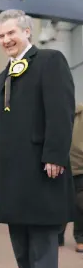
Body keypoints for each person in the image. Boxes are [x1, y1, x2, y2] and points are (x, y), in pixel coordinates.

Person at [0, 9, 75, 268]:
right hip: (12, 178)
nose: (6, 40)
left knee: (42, 248)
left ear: (27, 31)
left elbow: (61, 112)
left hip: (41, 171)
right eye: (1, 35)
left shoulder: (50, 60)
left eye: (11, 32)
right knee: (22, 253)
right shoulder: (3, 76)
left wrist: (55, 155)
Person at [59, 103, 83, 253]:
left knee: (68, 200)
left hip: (70, 163)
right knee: (78, 202)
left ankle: (57, 236)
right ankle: (80, 238)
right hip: (77, 164)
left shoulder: (72, 112)